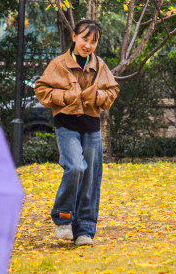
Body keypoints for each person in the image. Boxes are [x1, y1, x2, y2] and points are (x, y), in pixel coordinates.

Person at [34, 18, 119, 246]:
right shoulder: (59, 64)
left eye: (94, 41)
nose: (88, 45)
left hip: (91, 126)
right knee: (75, 167)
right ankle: (63, 219)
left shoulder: (99, 65)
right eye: (84, 39)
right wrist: (64, 97)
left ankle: (85, 230)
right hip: (66, 125)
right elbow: (41, 89)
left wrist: (98, 97)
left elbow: (112, 90)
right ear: (74, 37)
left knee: (91, 176)